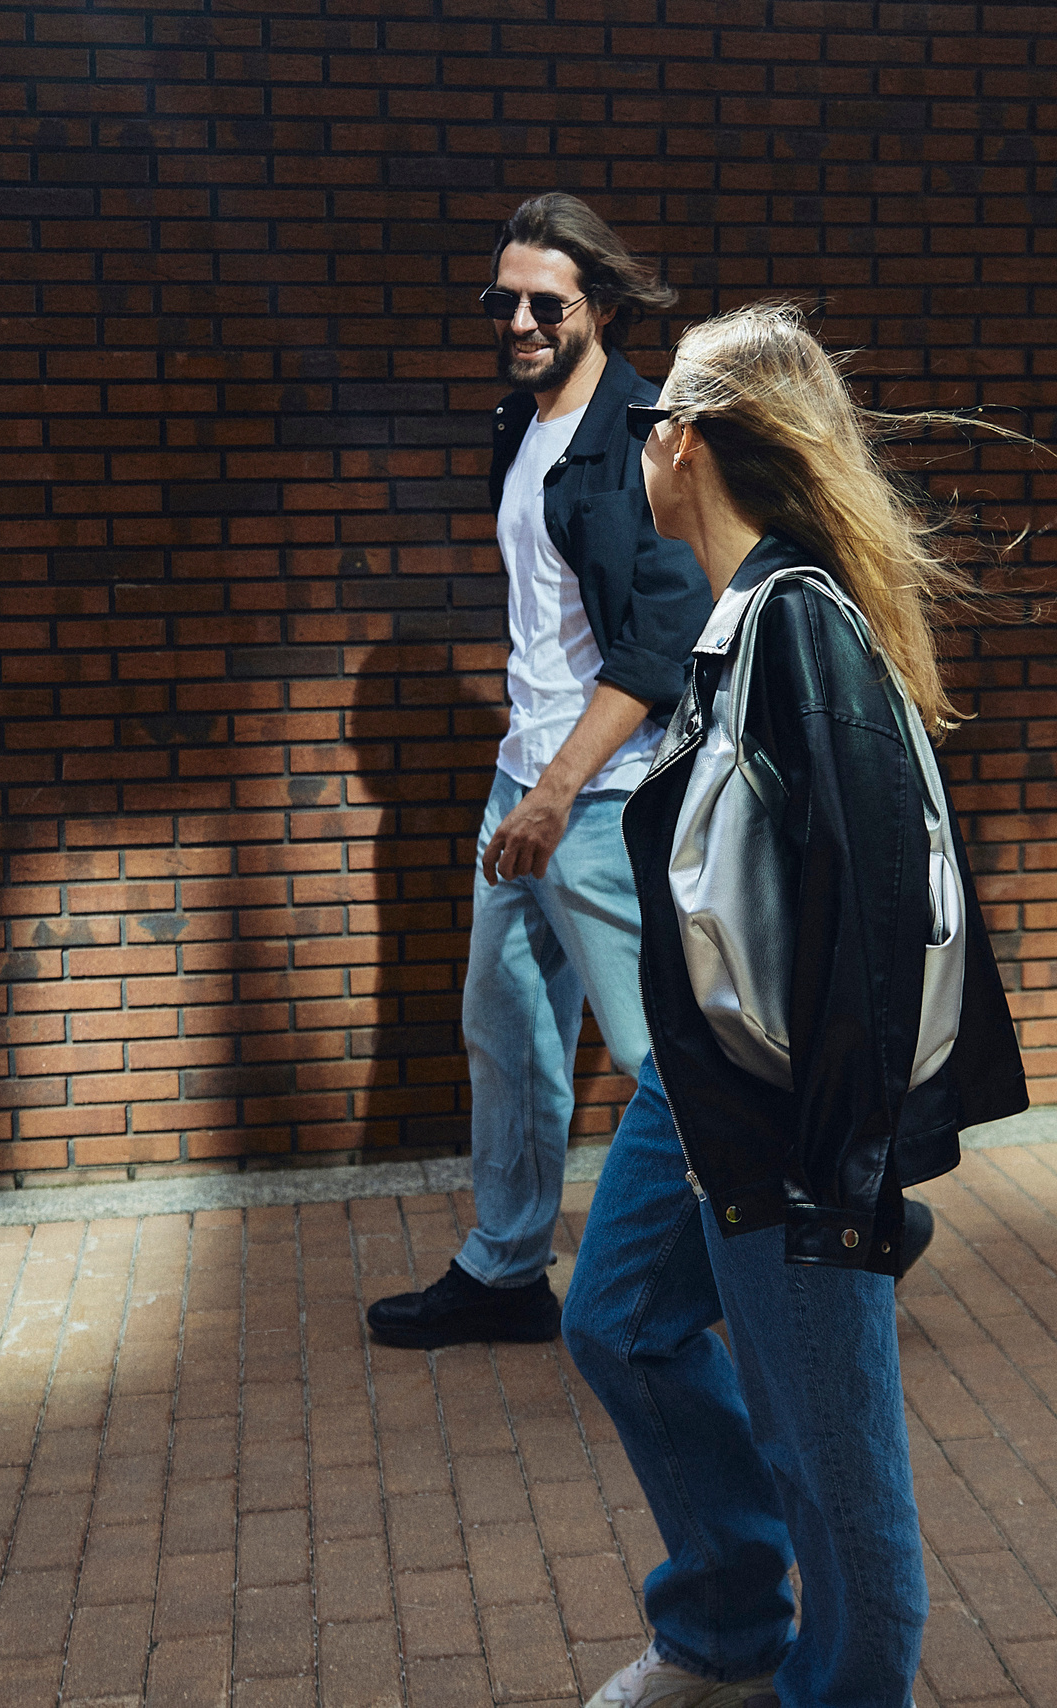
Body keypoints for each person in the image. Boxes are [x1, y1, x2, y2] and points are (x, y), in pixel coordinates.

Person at [563, 302, 1030, 1708]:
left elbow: (882, 920)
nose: (639, 441)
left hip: (788, 1114)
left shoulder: (800, 629)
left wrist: (850, 1167)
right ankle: (722, 1628)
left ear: (689, 444)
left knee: (839, 1476)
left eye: (651, 423)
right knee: (619, 1318)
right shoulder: (749, 613)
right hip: (699, 1079)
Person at [366, 195, 710, 1350]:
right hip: (520, 789)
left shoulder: (647, 436)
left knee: (661, 1056)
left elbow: (660, 642)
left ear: (599, 307)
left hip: (601, 800)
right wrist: (526, 784)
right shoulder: (516, 425)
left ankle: (797, 1223)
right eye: (499, 299)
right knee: (505, 1030)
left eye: (541, 302)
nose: (516, 319)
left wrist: (561, 789)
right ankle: (508, 1267)